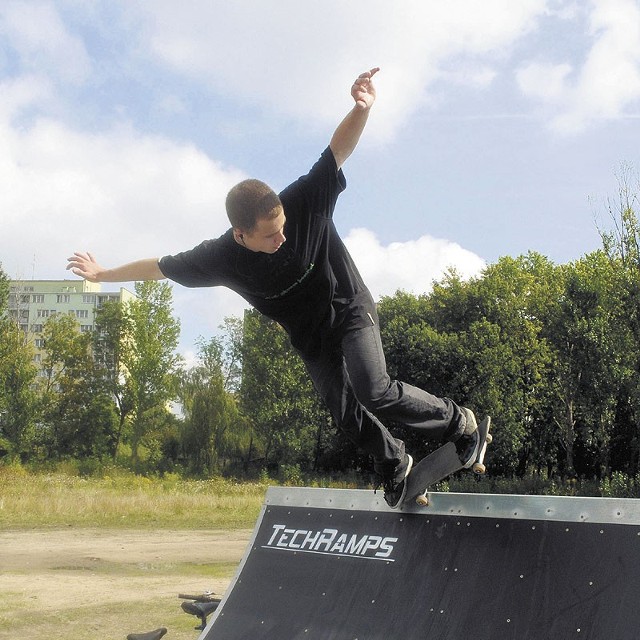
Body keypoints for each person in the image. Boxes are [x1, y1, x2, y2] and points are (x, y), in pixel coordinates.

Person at [67, 67, 479, 508]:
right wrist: (103, 274)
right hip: (311, 337)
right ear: (241, 234)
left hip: (348, 306)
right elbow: (161, 267)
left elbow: (337, 152)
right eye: (270, 235)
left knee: (372, 387)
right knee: (343, 412)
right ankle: (396, 463)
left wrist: (361, 107)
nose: (282, 238)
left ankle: (458, 422)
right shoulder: (220, 257)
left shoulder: (303, 201)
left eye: (282, 228)